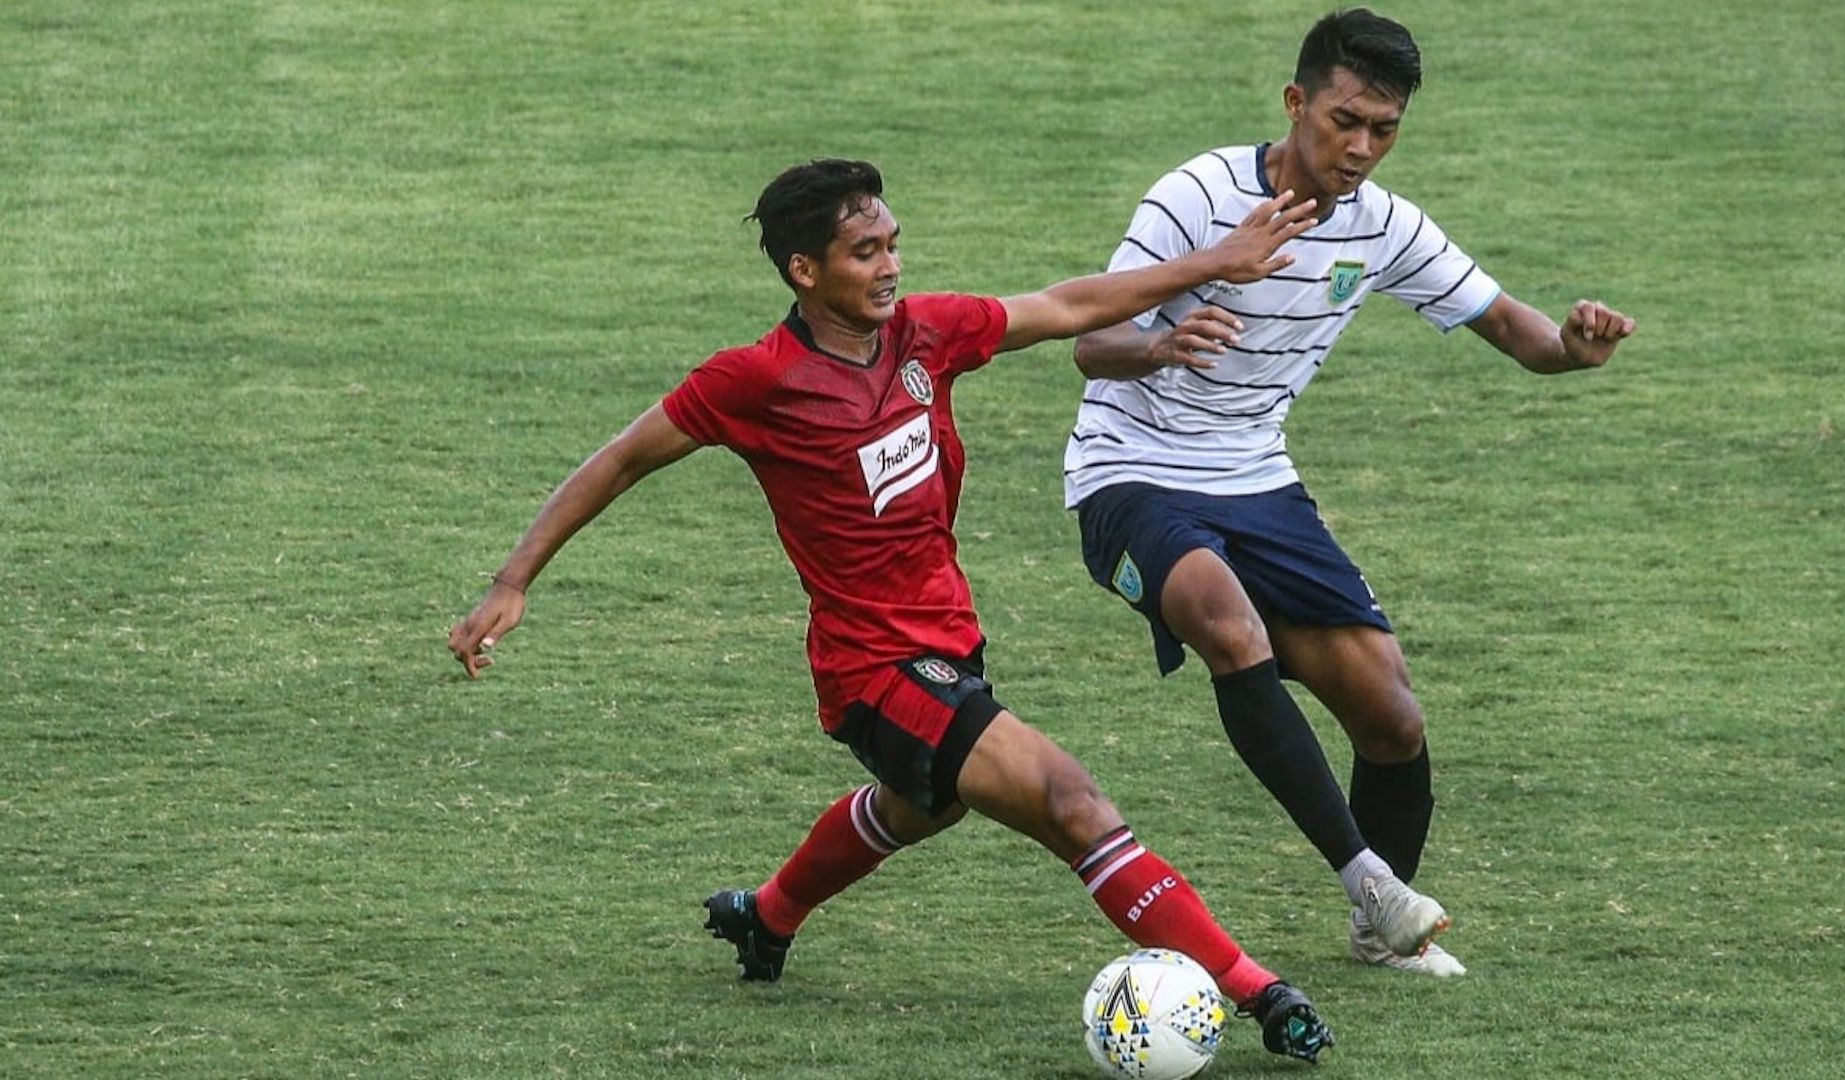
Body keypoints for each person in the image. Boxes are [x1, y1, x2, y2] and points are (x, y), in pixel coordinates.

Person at [448, 159, 1340, 1061]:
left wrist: (1212, 263)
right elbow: (620, 460)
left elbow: (1065, 306)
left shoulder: (926, 335)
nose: (889, 266)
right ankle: (1259, 993)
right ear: (806, 271)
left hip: (949, 642)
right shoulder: (754, 380)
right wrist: (513, 581)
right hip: (871, 670)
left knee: (923, 808)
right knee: (1071, 800)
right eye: (864, 251)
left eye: (893, 244)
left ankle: (769, 915)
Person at [1067, 7, 1637, 980]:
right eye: (1345, 121)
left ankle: (1379, 938)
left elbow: (1513, 329)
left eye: (1385, 130)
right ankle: (1370, 882)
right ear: (1296, 104)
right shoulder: (1198, 195)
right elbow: (1089, 338)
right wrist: (1164, 339)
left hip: (1257, 481)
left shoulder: (1383, 227)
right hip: (1132, 475)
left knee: (1391, 717)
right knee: (1227, 621)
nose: (1362, 148)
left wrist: (1572, 352)